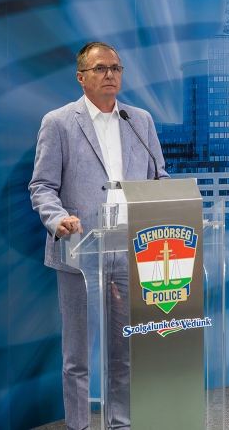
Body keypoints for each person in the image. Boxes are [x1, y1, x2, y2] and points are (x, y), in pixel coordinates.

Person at [29, 41, 168, 430]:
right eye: (101, 68)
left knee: (125, 350)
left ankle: (121, 423)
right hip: (81, 252)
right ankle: (79, 426)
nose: (110, 75)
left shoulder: (139, 120)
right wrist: (58, 219)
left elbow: (160, 178)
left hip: (131, 249)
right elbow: (42, 186)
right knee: (77, 357)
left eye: (116, 68)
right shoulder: (58, 122)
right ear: (81, 77)